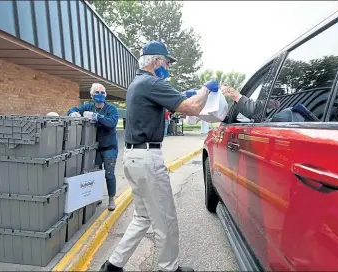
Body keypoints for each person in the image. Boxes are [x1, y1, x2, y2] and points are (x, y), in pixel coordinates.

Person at [100, 40, 227, 272]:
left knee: (142, 216)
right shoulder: (152, 82)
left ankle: (113, 265)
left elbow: (166, 103)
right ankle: (168, 268)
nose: (168, 67)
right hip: (148, 159)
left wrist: (183, 95)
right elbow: (191, 108)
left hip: (133, 157)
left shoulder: (138, 83)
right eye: (167, 63)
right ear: (156, 61)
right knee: (166, 219)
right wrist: (206, 89)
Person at [67, 83, 119, 211]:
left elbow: (111, 123)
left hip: (109, 147)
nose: (100, 95)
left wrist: (97, 117)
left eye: (102, 92)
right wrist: (73, 113)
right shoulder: (88, 106)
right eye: (97, 92)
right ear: (91, 95)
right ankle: (96, 197)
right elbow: (72, 110)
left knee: (109, 173)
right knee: (95, 173)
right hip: (94, 149)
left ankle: (111, 198)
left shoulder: (111, 109)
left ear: (106, 95)